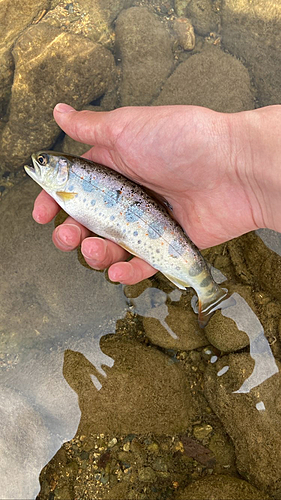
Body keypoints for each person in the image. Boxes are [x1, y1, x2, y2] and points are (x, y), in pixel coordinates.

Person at [32, 103, 281, 285]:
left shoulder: (65, 190)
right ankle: (205, 288)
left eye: (43, 161)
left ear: (63, 170)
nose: (38, 162)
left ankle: (207, 291)